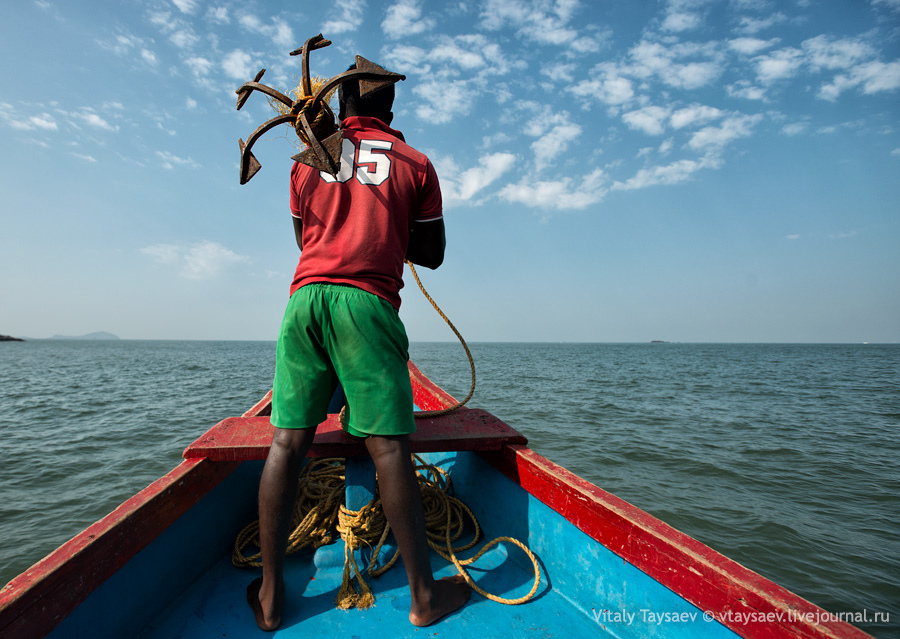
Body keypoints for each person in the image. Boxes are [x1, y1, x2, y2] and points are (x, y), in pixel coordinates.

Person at [246, 64, 471, 631]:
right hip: (365, 306)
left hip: (304, 303)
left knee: (286, 442)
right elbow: (433, 252)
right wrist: (390, 224)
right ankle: (424, 596)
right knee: (389, 449)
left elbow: (306, 240)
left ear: (339, 103)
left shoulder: (305, 161)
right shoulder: (415, 163)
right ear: (391, 108)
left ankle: (271, 600)